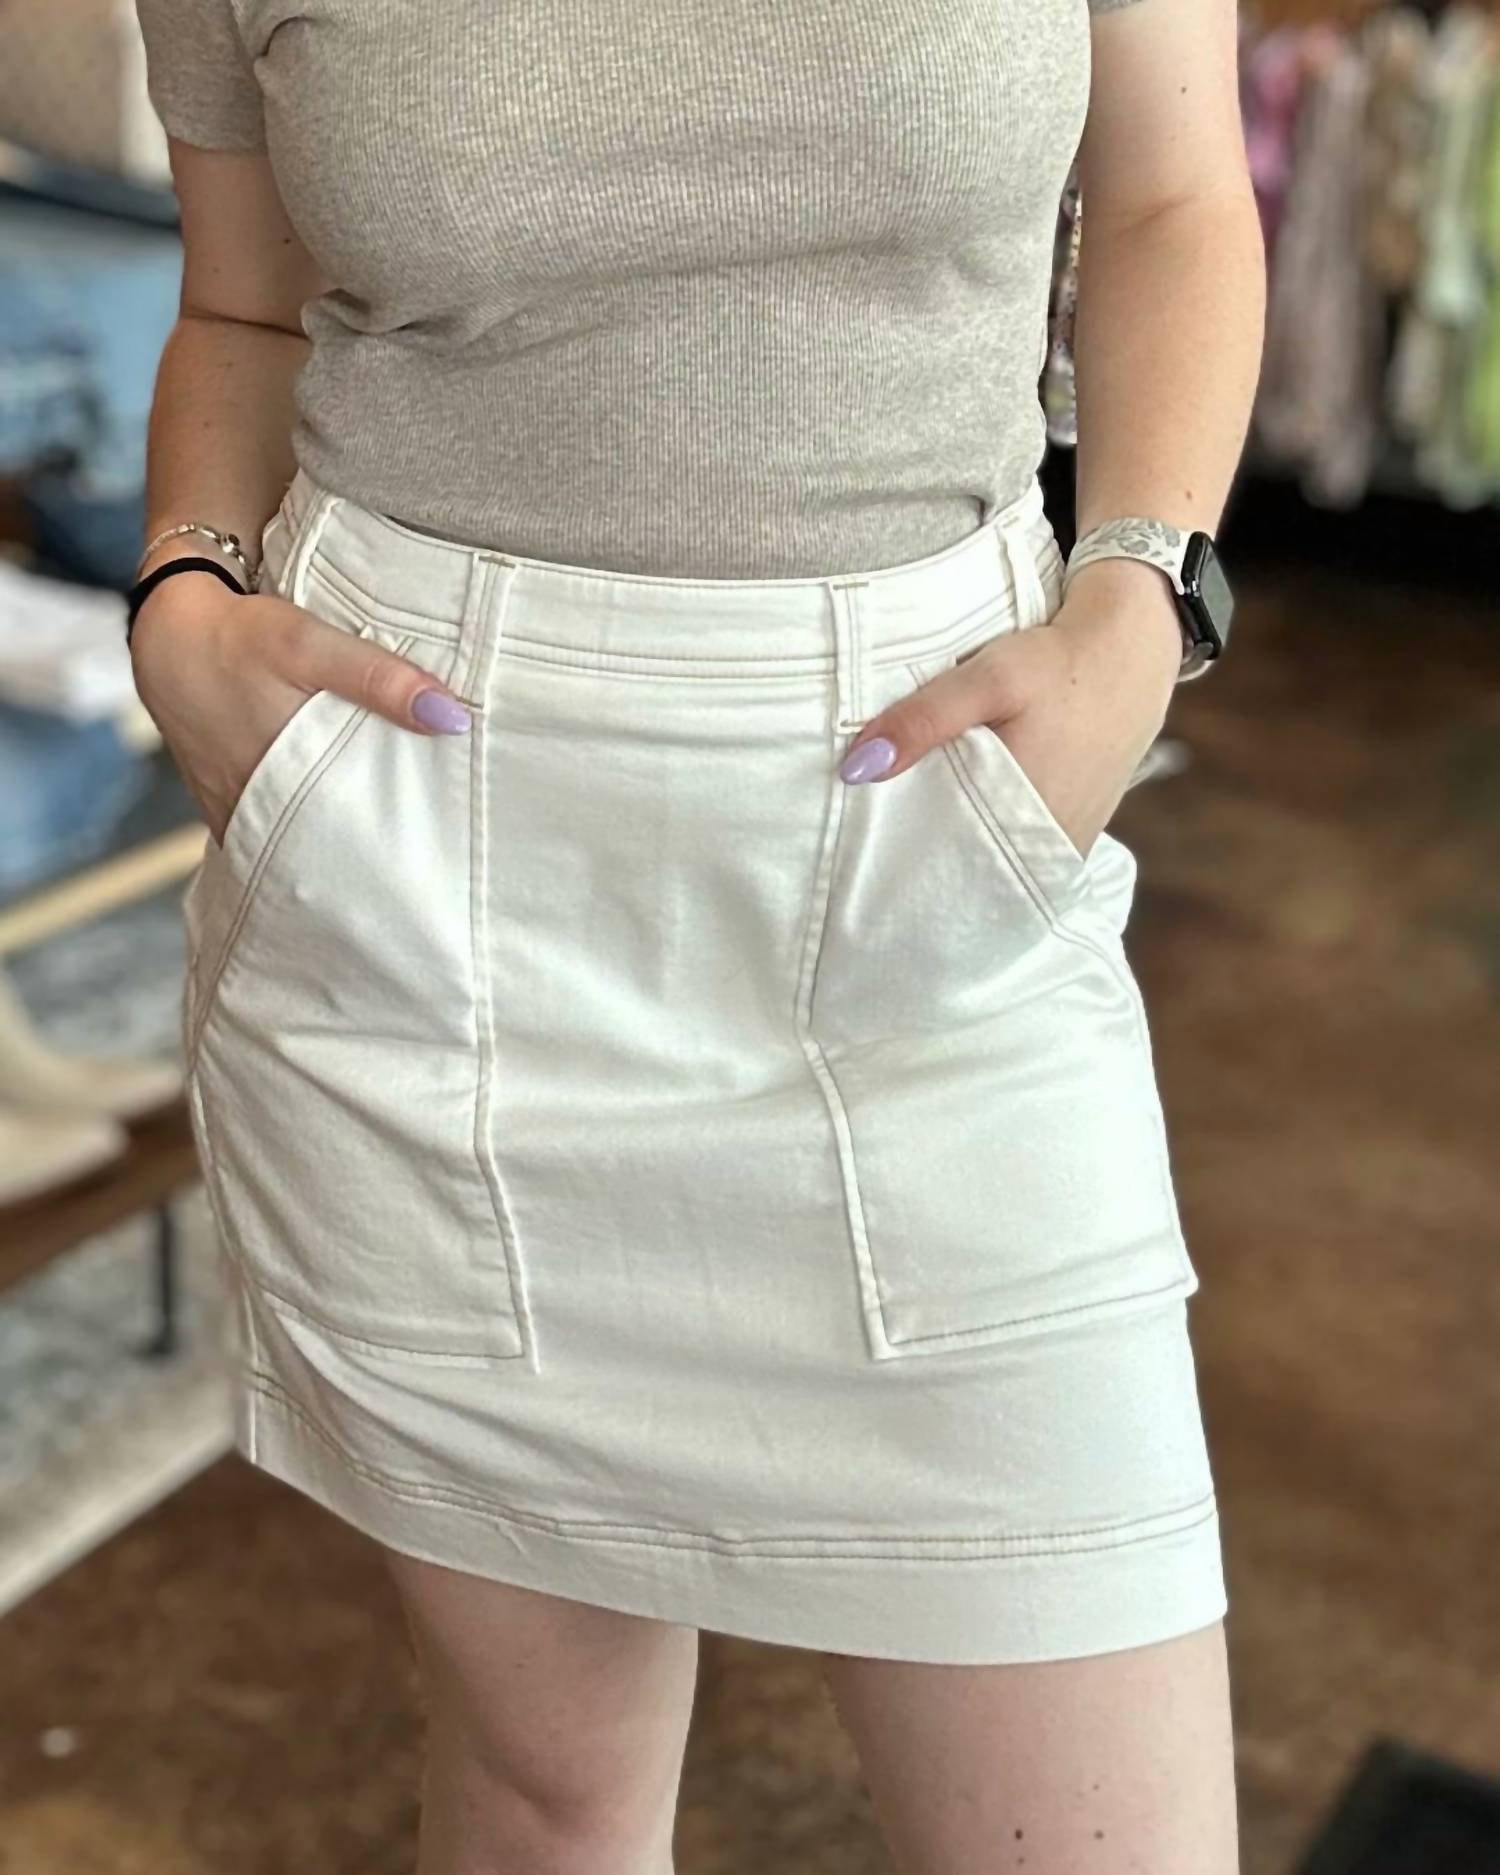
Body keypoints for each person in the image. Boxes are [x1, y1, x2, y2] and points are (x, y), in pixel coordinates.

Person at [127, 0, 1264, 1868]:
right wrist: (184, 584)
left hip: (925, 822)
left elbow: (1172, 202)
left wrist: (1142, 600)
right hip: (421, 847)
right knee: (543, 1799)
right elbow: (244, 309)